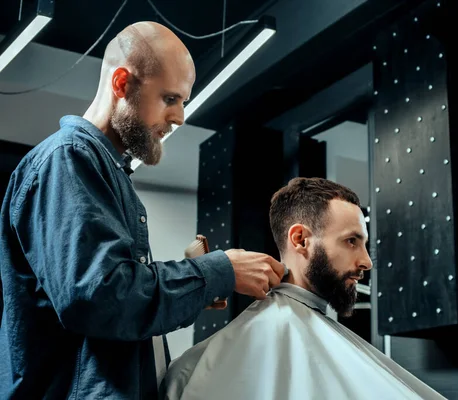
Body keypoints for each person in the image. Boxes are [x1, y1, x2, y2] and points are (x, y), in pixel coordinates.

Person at [0, 21, 285, 399]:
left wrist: (195, 287)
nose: (180, 117)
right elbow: (101, 297)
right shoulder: (67, 160)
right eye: (170, 99)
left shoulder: (107, 172)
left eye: (183, 101)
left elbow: (116, 297)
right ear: (121, 84)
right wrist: (218, 272)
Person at [162, 177, 446, 400]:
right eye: (351, 241)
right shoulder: (209, 364)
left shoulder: (197, 367)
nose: (367, 261)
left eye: (365, 244)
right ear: (300, 240)